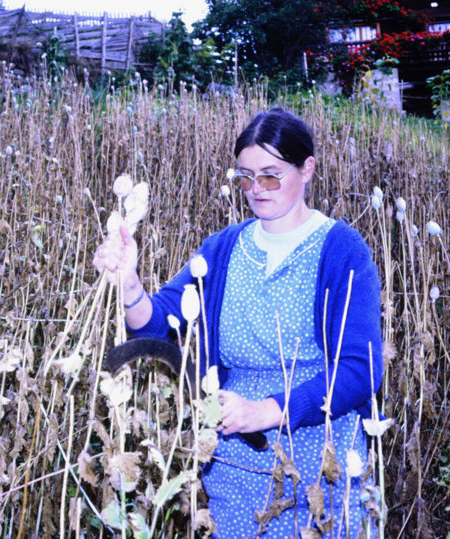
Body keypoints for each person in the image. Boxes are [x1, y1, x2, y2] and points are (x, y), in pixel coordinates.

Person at [94, 107, 383, 538]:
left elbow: (361, 370)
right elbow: (163, 325)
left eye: (270, 175)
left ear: (307, 169)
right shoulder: (224, 247)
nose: (256, 189)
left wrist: (266, 411)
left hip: (323, 469)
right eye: (245, 177)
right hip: (235, 467)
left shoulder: (342, 248)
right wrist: (130, 284)